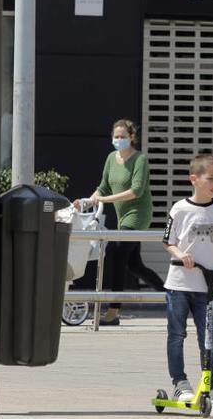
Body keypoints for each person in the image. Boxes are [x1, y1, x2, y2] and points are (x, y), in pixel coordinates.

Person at [162, 154, 213, 417]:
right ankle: (180, 383)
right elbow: (168, 241)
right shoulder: (179, 209)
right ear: (194, 179)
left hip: (209, 284)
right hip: (180, 283)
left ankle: (211, 390)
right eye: (210, 178)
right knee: (177, 335)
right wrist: (180, 255)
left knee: (208, 339)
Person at [75, 119, 164, 325]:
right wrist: (87, 201)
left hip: (138, 215)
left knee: (117, 254)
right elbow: (103, 187)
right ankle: (172, 296)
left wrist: (104, 200)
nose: (119, 140)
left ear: (132, 137)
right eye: (116, 136)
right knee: (135, 265)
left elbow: (136, 191)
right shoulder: (111, 158)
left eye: (123, 136)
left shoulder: (139, 159)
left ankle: (114, 312)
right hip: (123, 216)